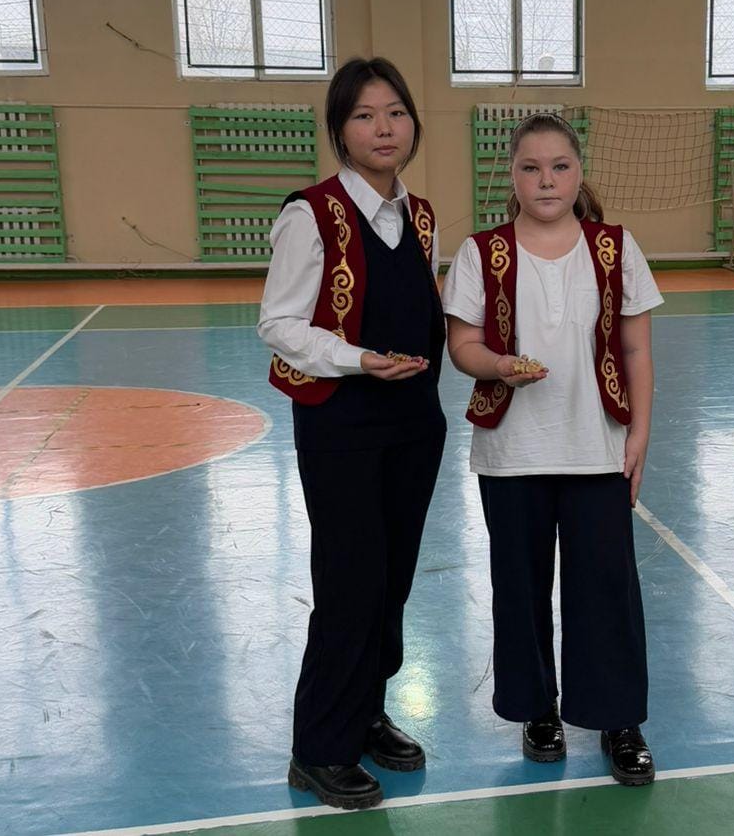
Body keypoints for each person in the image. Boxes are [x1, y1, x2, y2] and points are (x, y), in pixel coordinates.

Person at [441, 112, 663, 786]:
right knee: (520, 587)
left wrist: (640, 433)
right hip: (511, 454)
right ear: (511, 175)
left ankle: (617, 719)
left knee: (607, 588)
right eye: (531, 168)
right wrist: (498, 366)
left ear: (578, 172)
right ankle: (538, 710)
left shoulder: (615, 248)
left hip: (598, 449)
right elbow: (461, 345)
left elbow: (636, 349)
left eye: (560, 166)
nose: (546, 180)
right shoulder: (482, 253)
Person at [258, 57, 445, 811]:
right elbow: (278, 323)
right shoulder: (311, 214)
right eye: (365, 115)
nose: (383, 128)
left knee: (392, 581)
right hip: (340, 423)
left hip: (413, 425)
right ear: (340, 130)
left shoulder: (421, 216)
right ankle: (318, 748)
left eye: (395, 112)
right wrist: (358, 358)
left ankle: (365, 711)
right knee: (349, 581)